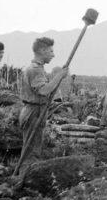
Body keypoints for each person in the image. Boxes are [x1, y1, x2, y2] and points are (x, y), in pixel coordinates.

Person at [14, 37, 69, 175]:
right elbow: (43, 90)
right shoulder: (35, 70)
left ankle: (27, 177)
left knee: (33, 148)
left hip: (37, 110)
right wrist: (59, 76)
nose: (53, 54)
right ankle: (25, 179)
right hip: (33, 111)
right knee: (31, 150)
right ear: (42, 51)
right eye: (51, 51)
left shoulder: (39, 69)